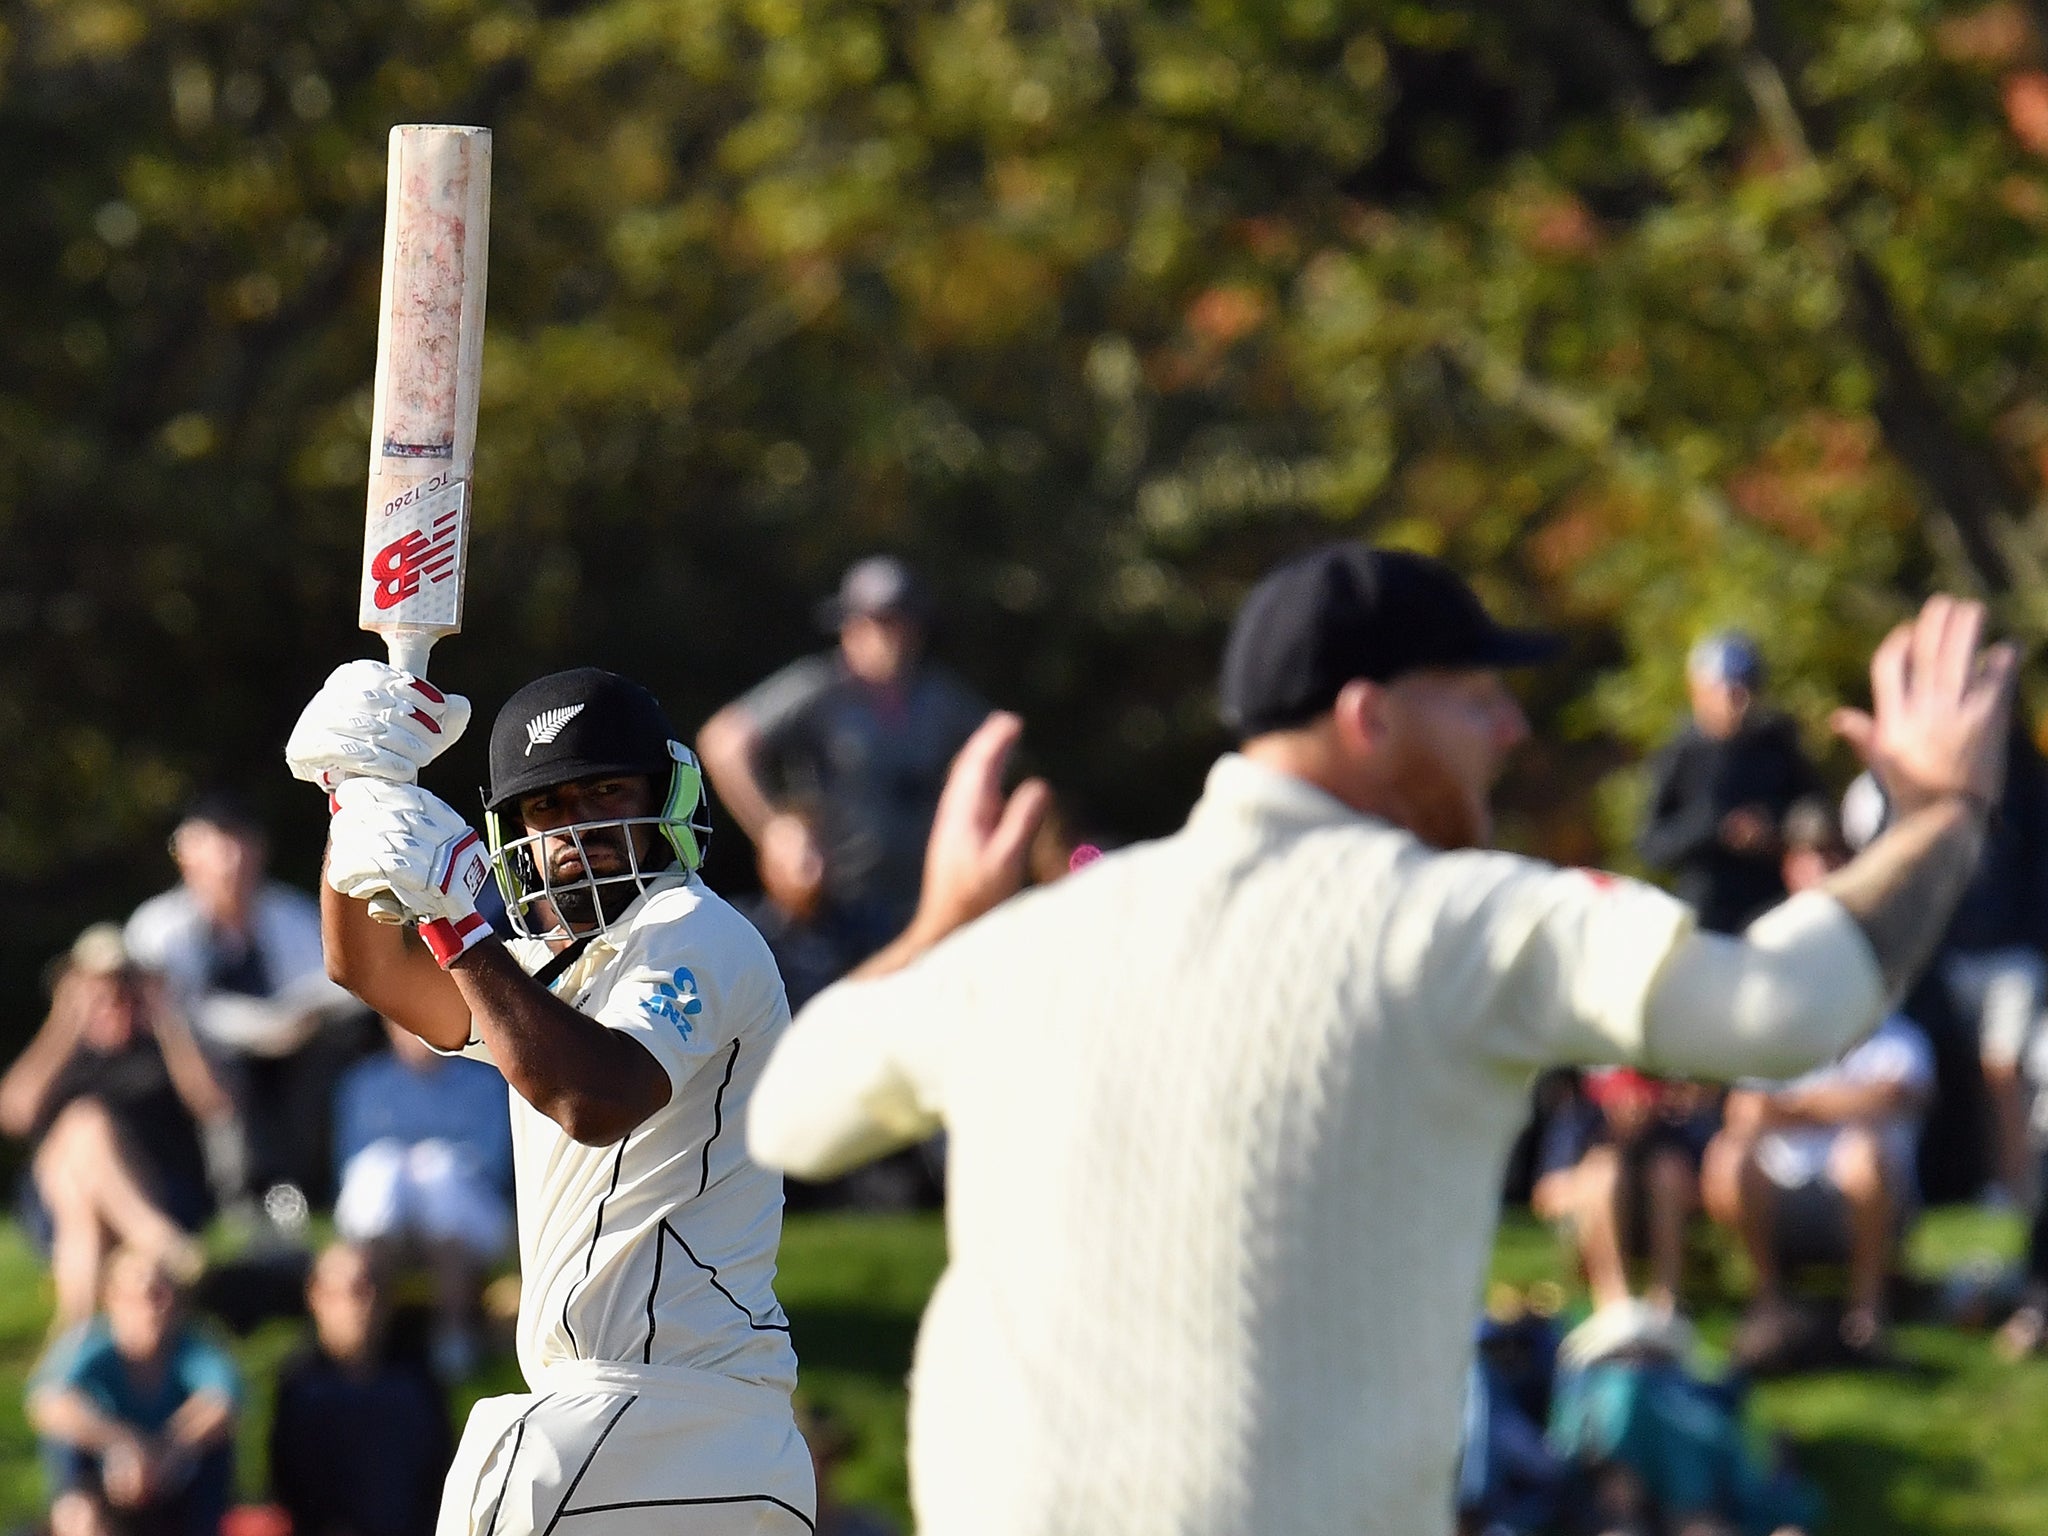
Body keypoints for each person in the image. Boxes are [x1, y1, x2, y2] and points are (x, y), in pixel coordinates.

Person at [748, 543, 2013, 1536]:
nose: (1508, 735)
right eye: (1475, 701)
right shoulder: (1461, 920)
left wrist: (937, 925)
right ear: (1366, 718)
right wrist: (1945, 810)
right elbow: (1783, 1010)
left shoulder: (1047, 933)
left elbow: (788, 1111)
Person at [287, 661, 813, 1535]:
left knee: (498, 1464)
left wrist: (456, 923)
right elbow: (367, 967)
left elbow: (593, 1098)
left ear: (665, 797)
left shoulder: (694, 930)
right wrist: (355, 803)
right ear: (513, 833)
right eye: (547, 808)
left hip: (654, 1405)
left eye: (606, 792)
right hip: (696, 1433)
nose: (577, 827)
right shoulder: (541, 976)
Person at [1702, 800, 1935, 1363]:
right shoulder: (1766, 952)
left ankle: (1867, 1315)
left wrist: (1799, 1107)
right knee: (1728, 1155)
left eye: (1834, 856)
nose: (1822, 870)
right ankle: (1769, 1306)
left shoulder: (1881, 956)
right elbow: (1746, 1110)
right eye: (1810, 857)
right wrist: (1842, 1104)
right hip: (1784, 1187)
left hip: (1861, 1189)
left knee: (1866, 1151)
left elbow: (1901, 1091)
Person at [698, 556, 989, 957]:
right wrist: (773, 829)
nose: (890, 637)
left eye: (900, 622)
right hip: (834, 912)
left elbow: (998, 748)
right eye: (876, 622)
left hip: (917, 906)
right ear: (849, 626)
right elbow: (723, 742)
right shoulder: (819, 689)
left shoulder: (937, 698)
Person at [1841, 724, 2048, 1206]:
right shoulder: (1936, 783)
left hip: (2011, 956)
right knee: (1968, 1079)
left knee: (2002, 1074)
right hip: (1950, 954)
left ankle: (2014, 1193)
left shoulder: (2025, 780)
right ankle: (1976, 1187)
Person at [124, 792, 362, 1208]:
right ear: (186, 855)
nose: (232, 860)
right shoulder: (159, 928)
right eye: (219, 845)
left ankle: (306, 1186)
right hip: (200, 1057)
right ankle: (241, 1192)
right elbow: (170, 1013)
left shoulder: (291, 914)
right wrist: (262, 1029)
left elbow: (333, 989)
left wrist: (293, 1025)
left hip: (294, 1054)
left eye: (241, 843)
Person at [0, 926, 230, 1329]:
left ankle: (74, 1338)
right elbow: (14, 1113)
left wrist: (167, 1018)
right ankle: (163, 1245)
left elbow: (214, 1104)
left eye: (124, 993)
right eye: (98, 996)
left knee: (82, 1195)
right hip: (52, 1201)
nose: (113, 1006)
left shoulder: (160, 1050)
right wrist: (63, 1023)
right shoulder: (66, 1055)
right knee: (83, 1126)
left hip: (160, 1185)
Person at [332, 1018, 515, 1380]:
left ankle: (454, 1335)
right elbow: (350, 1165)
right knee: (382, 1171)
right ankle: (368, 1342)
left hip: (464, 1211)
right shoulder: (362, 1084)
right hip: (389, 1214)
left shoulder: (484, 1082)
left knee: (440, 1177)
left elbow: (492, 1166)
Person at [29, 1246, 238, 1536]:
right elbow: (48, 1402)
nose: (152, 1306)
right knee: (67, 1448)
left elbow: (223, 1402)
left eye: (162, 1293)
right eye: (138, 1296)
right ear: (111, 1298)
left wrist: (170, 1449)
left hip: (174, 1479)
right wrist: (120, 1442)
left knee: (215, 1447)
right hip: (105, 1481)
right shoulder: (90, 1344)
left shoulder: (194, 1347)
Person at [1636, 632, 1825, 934]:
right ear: (1699, 691)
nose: (1741, 701)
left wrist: (1773, 828)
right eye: (1729, 690)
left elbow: (1815, 811)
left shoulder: (1777, 744)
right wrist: (1714, 827)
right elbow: (1652, 846)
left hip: (1774, 911)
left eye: (1748, 688)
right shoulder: (1681, 753)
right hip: (1707, 919)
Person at [270, 1242, 453, 1536]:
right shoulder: (301, 1389)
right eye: (349, 1291)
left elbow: (440, 1473)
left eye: (370, 1288)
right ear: (315, 1297)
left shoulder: (416, 1383)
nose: (362, 1305)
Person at [1529, 1069, 1718, 1315]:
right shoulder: (1580, 1118)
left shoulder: (1676, 1125)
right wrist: (1589, 1185)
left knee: (1667, 1170)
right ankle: (1613, 1301)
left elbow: (1707, 1194)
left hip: (1664, 1226)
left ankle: (1666, 1297)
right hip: (1589, 1230)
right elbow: (1545, 1197)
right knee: (1603, 1170)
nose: (1635, 1105)